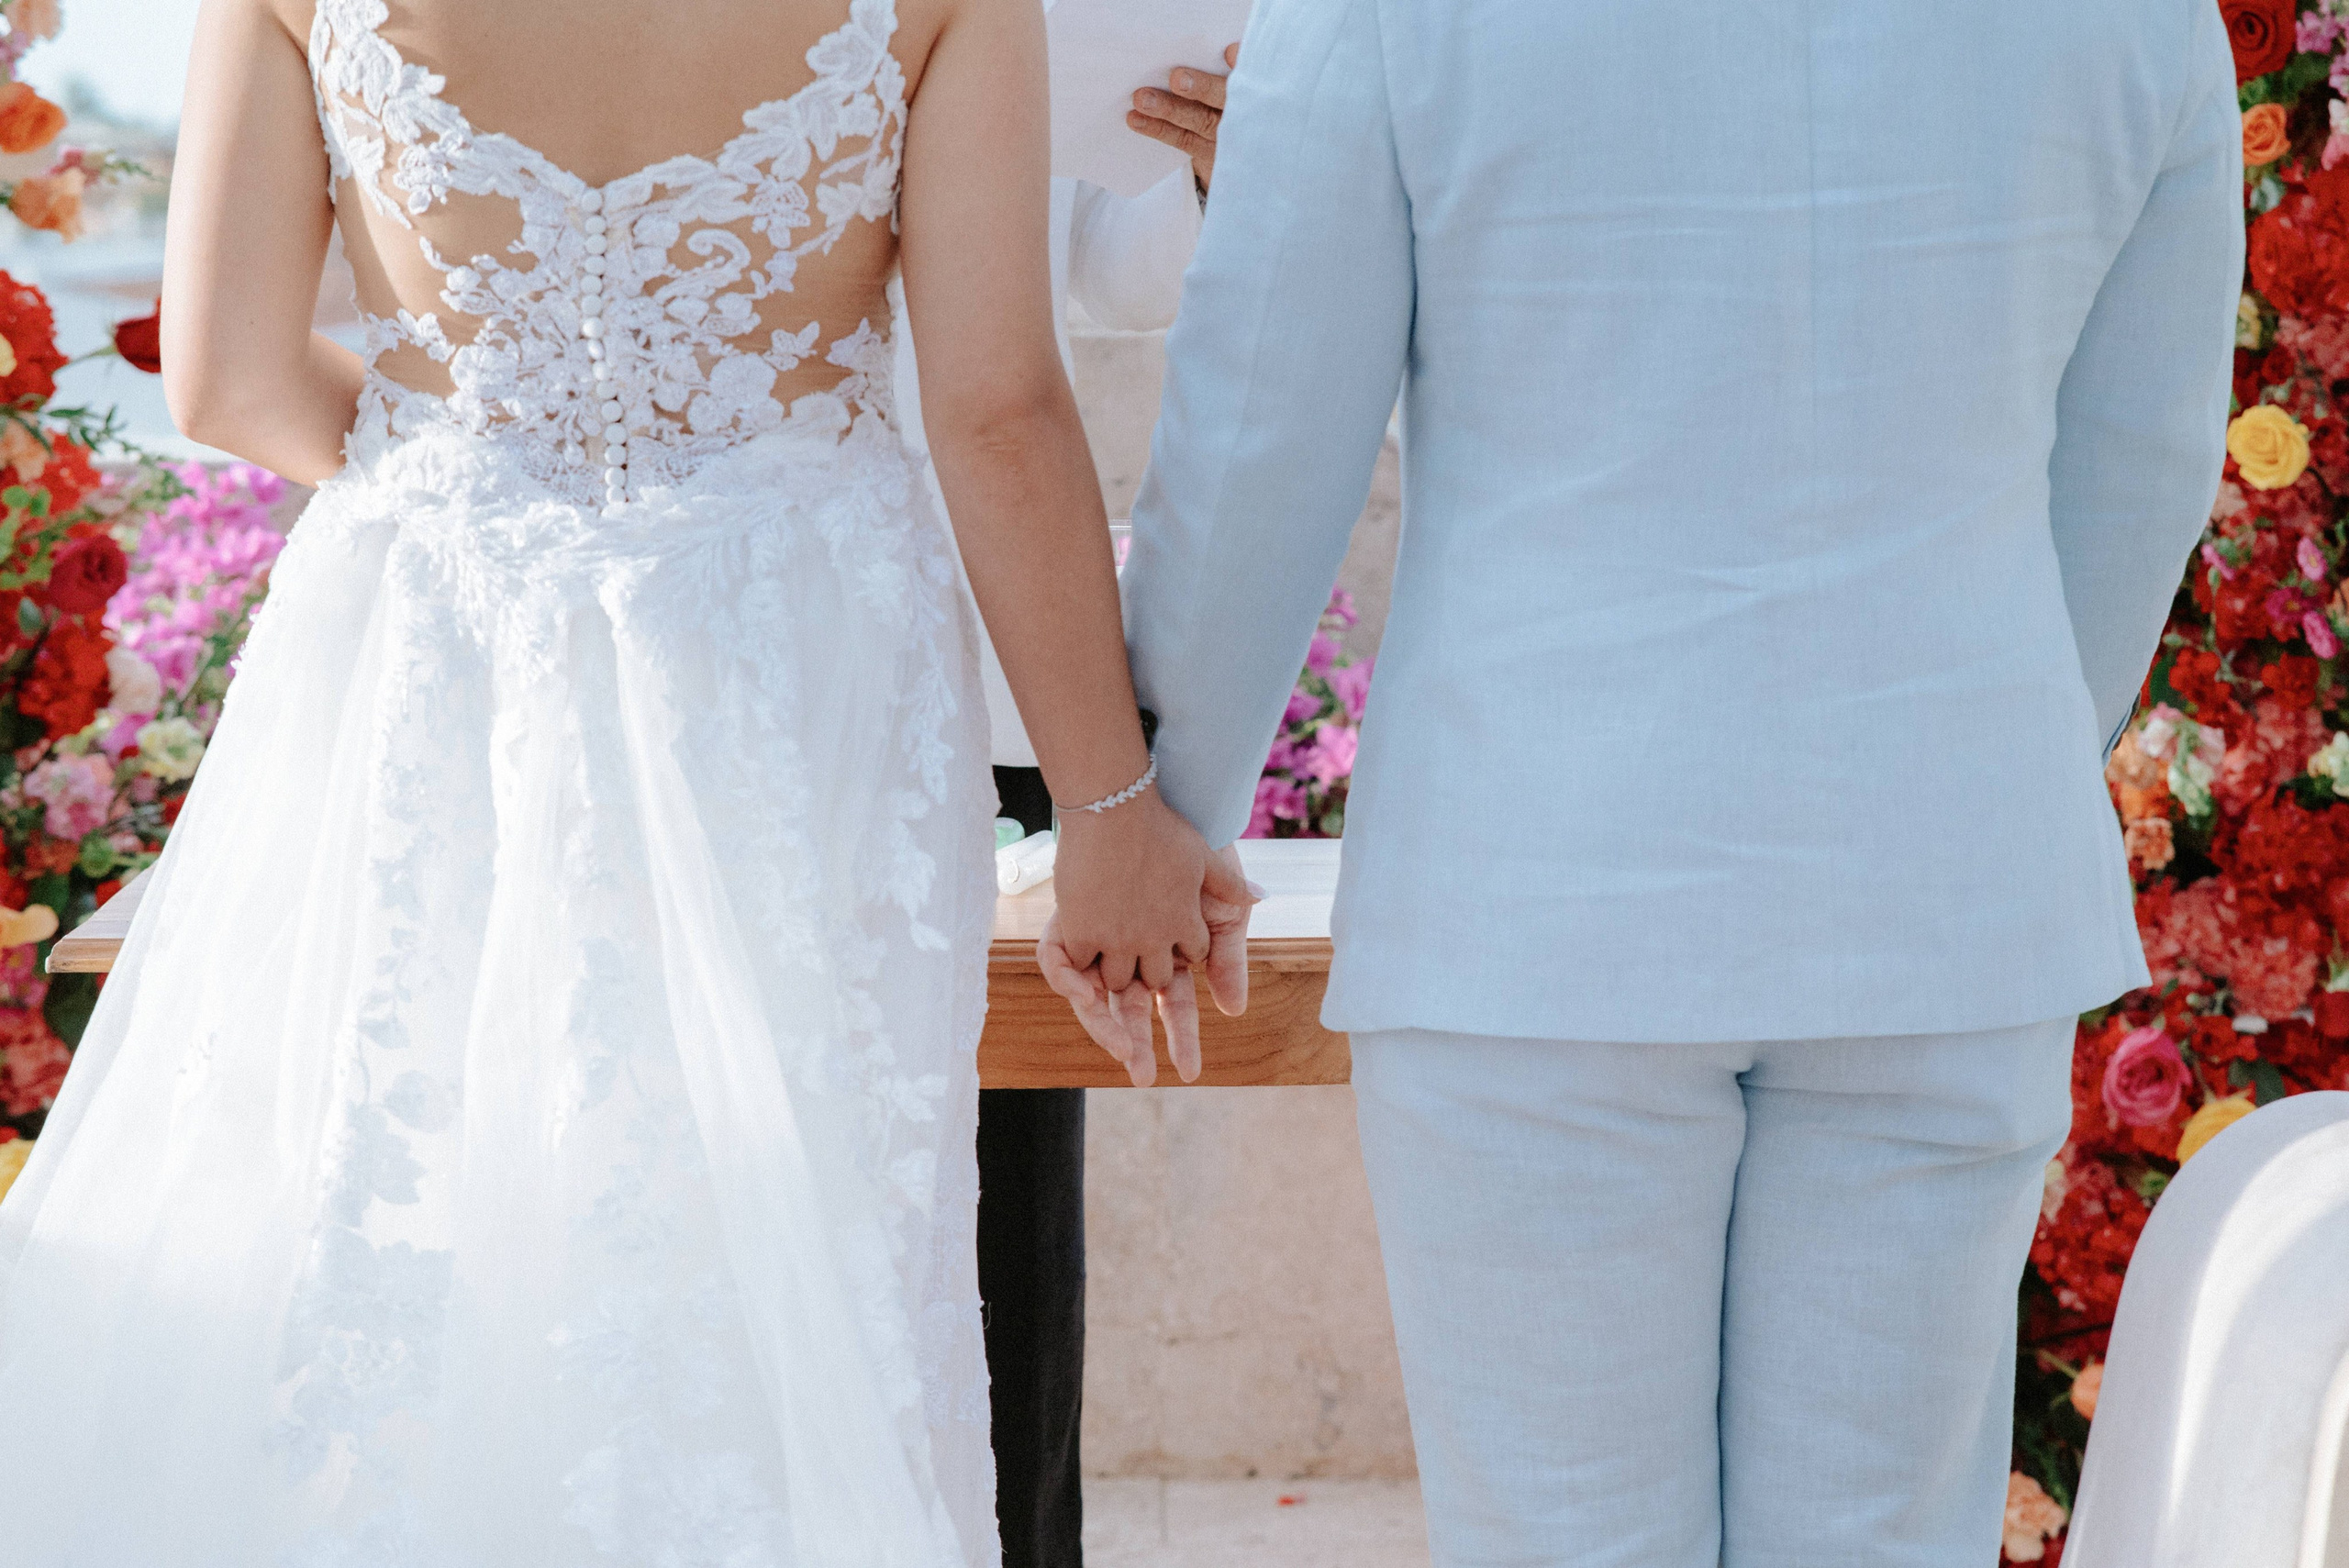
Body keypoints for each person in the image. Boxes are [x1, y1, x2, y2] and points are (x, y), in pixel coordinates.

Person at [0, 0, 1243, 1558]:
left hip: (429, 644)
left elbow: (224, 382)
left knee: (409, 1219)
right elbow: (994, 411)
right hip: (788, 666)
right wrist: (1111, 811)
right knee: (762, 1254)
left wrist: (472, 484)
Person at [1094, 0, 2241, 1562]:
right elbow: (2141, 462)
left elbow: (1260, 432)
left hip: (1535, 883)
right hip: (1943, 882)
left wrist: (1159, 804)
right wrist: (1991, 756)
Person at [892, 41, 1235, 1568]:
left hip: (998, 654)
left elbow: (1106, 270)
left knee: (1005, 1229)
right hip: (753, 640)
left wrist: (1218, 173)